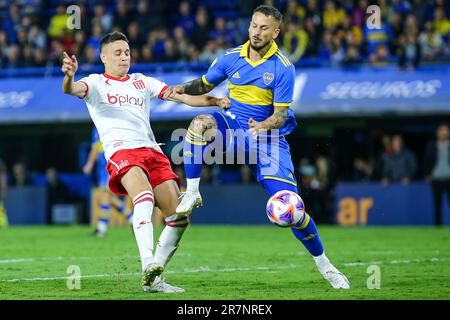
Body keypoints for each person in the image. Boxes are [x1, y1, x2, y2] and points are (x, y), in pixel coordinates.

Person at [167, 5, 349, 289]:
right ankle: (191, 193)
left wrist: (264, 125)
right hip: (235, 129)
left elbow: (280, 115)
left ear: (276, 32)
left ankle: (326, 266)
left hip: (268, 141)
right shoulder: (229, 58)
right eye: (254, 25)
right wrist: (182, 87)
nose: (256, 31)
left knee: (292, 210)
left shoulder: (283, 68)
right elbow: (203, 85)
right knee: (199, 123)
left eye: (264, 28)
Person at [61, 31, 229, 293]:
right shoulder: (95, 83)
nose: (124, 57)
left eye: (127, 52)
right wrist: (69, 75)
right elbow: (71, 89)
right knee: (145, 198)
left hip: (153, 152)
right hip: (122, 152)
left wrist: (216, 101)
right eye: (117, 53)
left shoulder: (142, 82)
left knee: (180, 217)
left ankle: (153, 278)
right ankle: (147, 262)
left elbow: (183, 97)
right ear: (103, 57)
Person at [83, 127, 132, 237]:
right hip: (106, 167)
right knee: (108, 198)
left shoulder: (100, 126)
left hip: (110, 166)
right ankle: (131, 218)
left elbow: (96, 148)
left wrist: (89, 164)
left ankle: (102, 228)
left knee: (105, 196)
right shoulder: (107, 124)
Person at [424, 124, 450, 226]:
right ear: (438, 133)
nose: (443, 133)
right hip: (436, 179)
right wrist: (427, 174)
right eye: (441, 130)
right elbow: (426, 161)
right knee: (437, 204)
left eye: (445, 130)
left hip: (449, 178)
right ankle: (438, 226)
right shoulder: (432, 145)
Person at [0, 158, 8, 228]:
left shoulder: (3, 177)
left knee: (2, 221)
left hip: (0, 201)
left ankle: (3, 224)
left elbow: (4, 190)